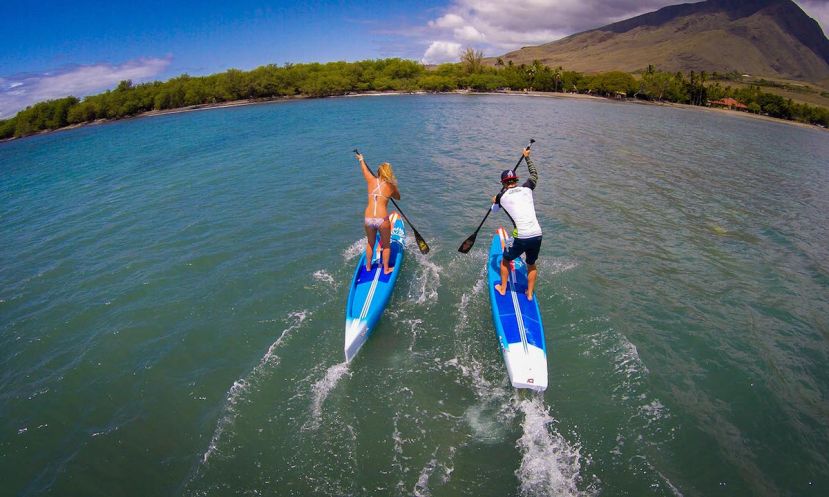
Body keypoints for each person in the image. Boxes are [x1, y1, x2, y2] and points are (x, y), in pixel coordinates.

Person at [490, 148, 542, 300]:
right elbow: (534, 174)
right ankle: (530, 294)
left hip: (522, 236)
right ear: (516, 181)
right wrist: (527, 158)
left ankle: (502, 288)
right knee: (531, 264)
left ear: (503, 183)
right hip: (537, 234)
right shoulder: (527, 188)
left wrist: (494, 200)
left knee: (505, 260)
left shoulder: (502, 196)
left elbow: (494, 210)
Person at [355, 153, 400, 274]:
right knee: (386, 245)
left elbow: (364, 170)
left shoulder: (371, 180)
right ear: (388, 173)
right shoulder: (391, 186)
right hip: (382, 219)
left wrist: (361, 159)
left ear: (378, 172)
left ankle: (368, 267)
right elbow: (398, 197)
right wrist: (392, 190)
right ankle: (385, 269)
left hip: (368, 219)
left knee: (370, 243)